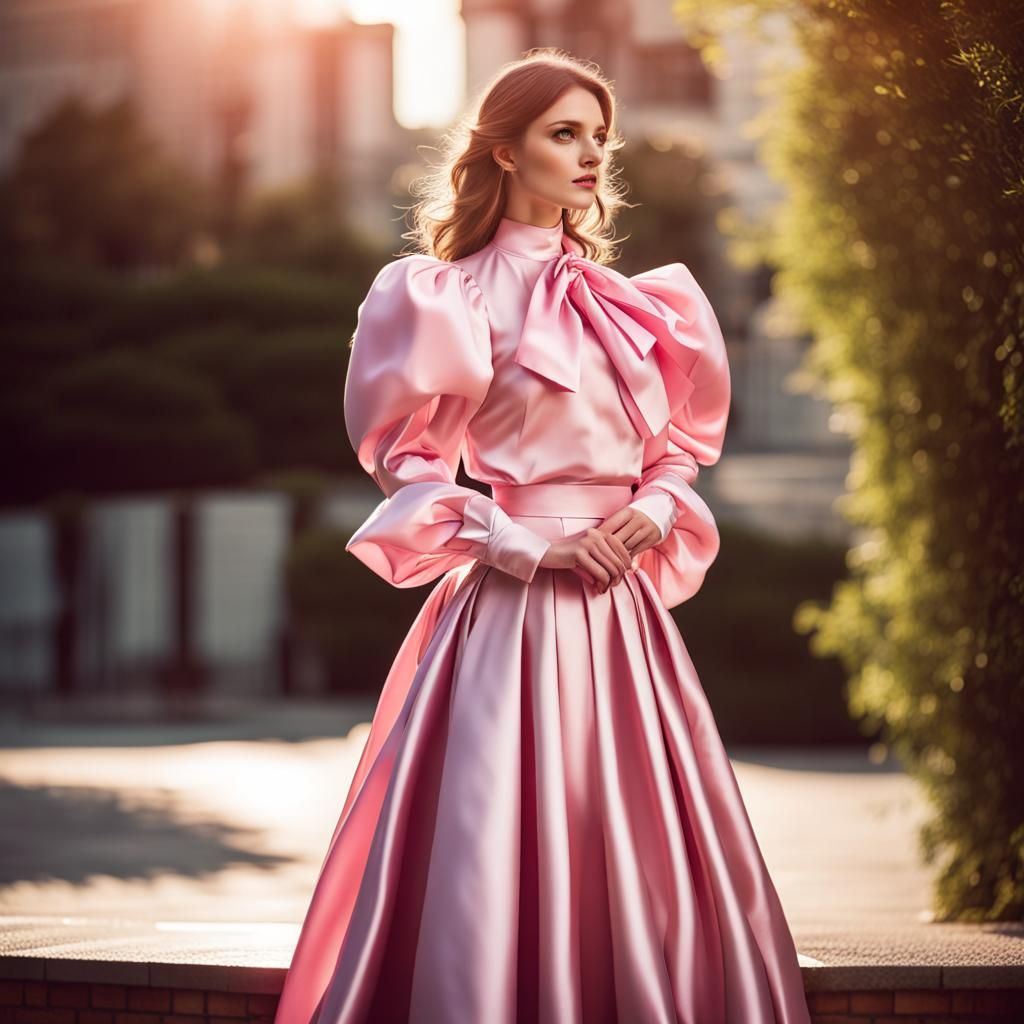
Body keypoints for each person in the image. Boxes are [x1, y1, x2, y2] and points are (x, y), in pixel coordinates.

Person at [274, 48, 811, 1024]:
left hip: (624, 619)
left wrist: (652, 510)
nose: (591, 153)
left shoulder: (643, 302)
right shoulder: (442, 297)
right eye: (564, 133)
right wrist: (532, 546)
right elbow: (410, 469)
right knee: (492, 848)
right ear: (504, 151)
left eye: (597, 135)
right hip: (510, 613)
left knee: (638, 848)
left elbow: (679, 453)